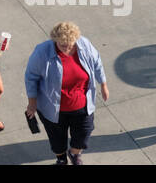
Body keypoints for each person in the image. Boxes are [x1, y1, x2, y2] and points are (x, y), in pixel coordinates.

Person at [24, 21, 108, 164]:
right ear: (55, 40)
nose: (68, 48)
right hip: (53, 108)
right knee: (57, 139)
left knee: (84, 133)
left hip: (82, 105)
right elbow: (31, 77)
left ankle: (74, 153)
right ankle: (61, 159)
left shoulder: (84, 44)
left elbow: (97, 63)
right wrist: (32, 103)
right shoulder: (41, 52)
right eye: (63, 45)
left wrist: (103, 84)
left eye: (71, 44)